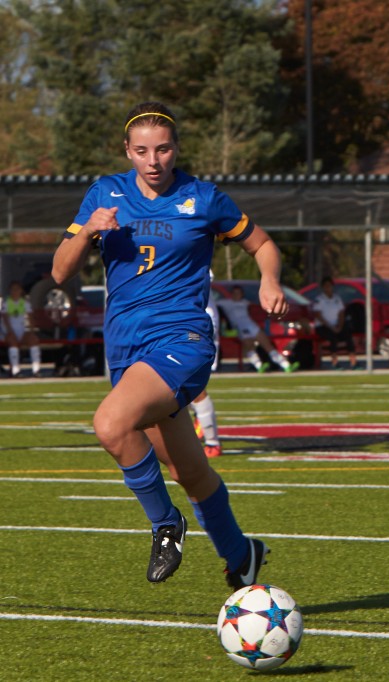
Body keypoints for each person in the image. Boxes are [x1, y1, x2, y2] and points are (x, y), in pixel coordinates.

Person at [51, 101, 278, 589]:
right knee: (189, 471)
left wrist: (271, 282)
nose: (153, 160)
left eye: (163, 149)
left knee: (111, 424)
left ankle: (165, 525)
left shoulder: (203, 197)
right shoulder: (104, 193)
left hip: (182, 339)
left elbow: (262, 243)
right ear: (127, 152)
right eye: (142, 151)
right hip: (126, 348)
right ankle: (242, 556)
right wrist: (89, 229)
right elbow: (60, 271)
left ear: (176, 149)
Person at [218, 284, 299, 373]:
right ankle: (259, 365)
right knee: (249, 345)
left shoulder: (246, 302)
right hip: (240, 328)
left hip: (252, 326)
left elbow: (257, 310)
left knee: (267, 344)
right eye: (235, 293)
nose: (237, 295)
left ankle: (285, 365)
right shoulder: (225, 303)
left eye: (239, 293)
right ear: (231, 294)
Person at [191, 273, 222, 458]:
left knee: (193, 384)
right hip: (179, 323)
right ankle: (199, 420)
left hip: (197, 324)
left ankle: (212, 442)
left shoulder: (196, 256)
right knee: (169, 384)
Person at [312, 276, 357, 370]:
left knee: (348, 335)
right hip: (323, 327)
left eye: (329, 286)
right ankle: (335, 362)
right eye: (325, 286)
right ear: (323, 287)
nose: (328, 288)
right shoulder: (319, 300)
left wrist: (340, 326)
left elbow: (341, 313)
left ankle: (353, 362)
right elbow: (318, 315)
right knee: (333, 337)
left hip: (336, 326)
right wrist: (331, 327)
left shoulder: (337, 299)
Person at [1, 281, 43, 377]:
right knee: (13, 342)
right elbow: (5, 319)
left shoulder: (24, 303)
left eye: (17, 289)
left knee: (33, 340)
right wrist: (10, 332)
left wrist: (31, 331)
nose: (15, 292)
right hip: (7, 331)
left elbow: (30, 318)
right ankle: (15, 370)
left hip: (21, 330)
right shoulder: (7, 303)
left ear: (21, 291)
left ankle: (36, 369)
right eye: (13, 290)